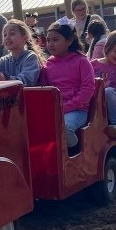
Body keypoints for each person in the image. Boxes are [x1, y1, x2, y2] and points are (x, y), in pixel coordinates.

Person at [40, 17, 96, 156]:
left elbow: (88, 89)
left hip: (77, 110)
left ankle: (75, 154)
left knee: (64, 128)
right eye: (48, 40)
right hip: (55, 110)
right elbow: (44, 90)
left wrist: (68, 106)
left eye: (56, 40)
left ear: (69, 41)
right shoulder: (47, 65)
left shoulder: (81, 61)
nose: (51, 44)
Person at [91, 30, 116, 140]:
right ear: (107, 48)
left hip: (113, 101)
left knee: (109, 91)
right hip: (96, 101)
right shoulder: (93, 64)